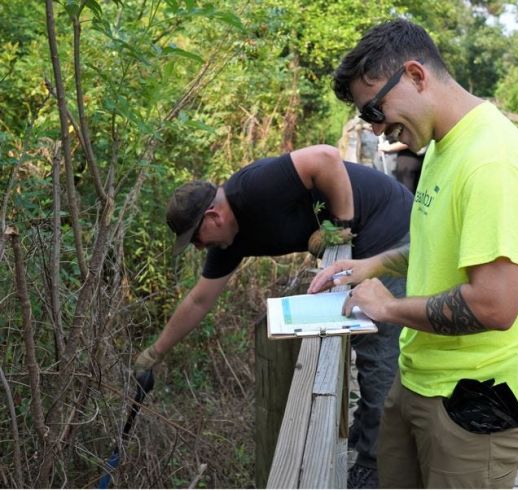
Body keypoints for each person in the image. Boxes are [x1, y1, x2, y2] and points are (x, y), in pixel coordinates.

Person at [309, 19, 518, 489]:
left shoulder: (491, 161)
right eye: (367, 117)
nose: (376, 128)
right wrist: (372, 265)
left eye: (374, 109)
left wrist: (388, 308)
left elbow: (495, 305)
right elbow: (437, 243)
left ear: (416, 76)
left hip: (475, 401)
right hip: (419, 378)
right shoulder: (442, 144)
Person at [134, 144, 415, 488]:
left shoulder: (254, 189)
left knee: (378, 351)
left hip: (386, 227)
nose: (200, 248)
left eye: (196, 239)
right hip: (361, 246)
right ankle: (368, 430)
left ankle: (373, 463)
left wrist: (339, 226)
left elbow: (325, 158)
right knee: (361, 339)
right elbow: (198, 300)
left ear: (213, 217)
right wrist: (154, 354)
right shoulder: (230, 241)